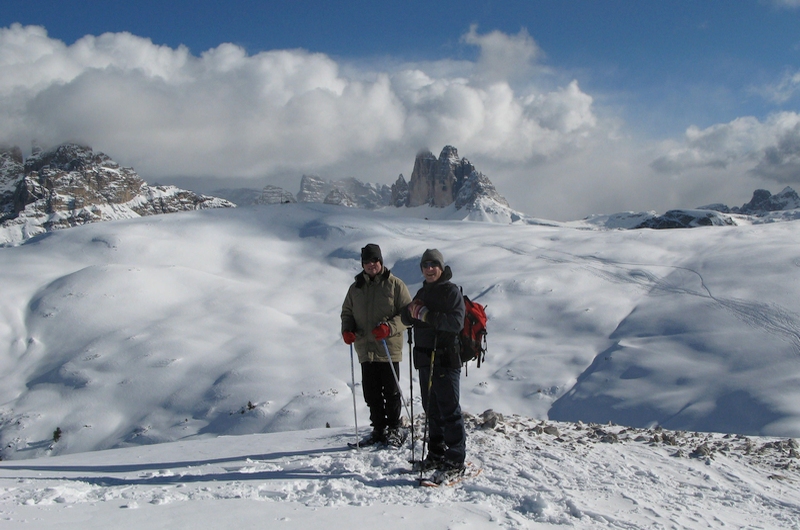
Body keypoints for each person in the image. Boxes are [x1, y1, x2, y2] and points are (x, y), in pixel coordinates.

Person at [402, 249, 467, 483]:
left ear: (441, 267)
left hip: (446, 360)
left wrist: (426, 315)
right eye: (425, 265)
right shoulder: (423, 292)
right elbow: (407, 316)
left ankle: (456, 460)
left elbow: (456, 323)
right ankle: (437, 455)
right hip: (425, 359)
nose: (429, 269)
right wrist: (410, 313)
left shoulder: (451, 292)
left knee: (449, 410)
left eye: (433, 265)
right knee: (432, 410)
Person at [341, 243, 412, 447]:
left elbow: (407, 314)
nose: (371, 265)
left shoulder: (395, 285)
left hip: (388, 347)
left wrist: (389, 328)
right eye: (367, 262)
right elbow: (347, 312)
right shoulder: (356, 288)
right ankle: (378, 429)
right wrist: (347, 329)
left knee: (391, 391)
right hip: (365, 347)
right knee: (371, 392)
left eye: (375, 261)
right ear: (362, 264)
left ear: (381, 261)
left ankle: (394, 428)